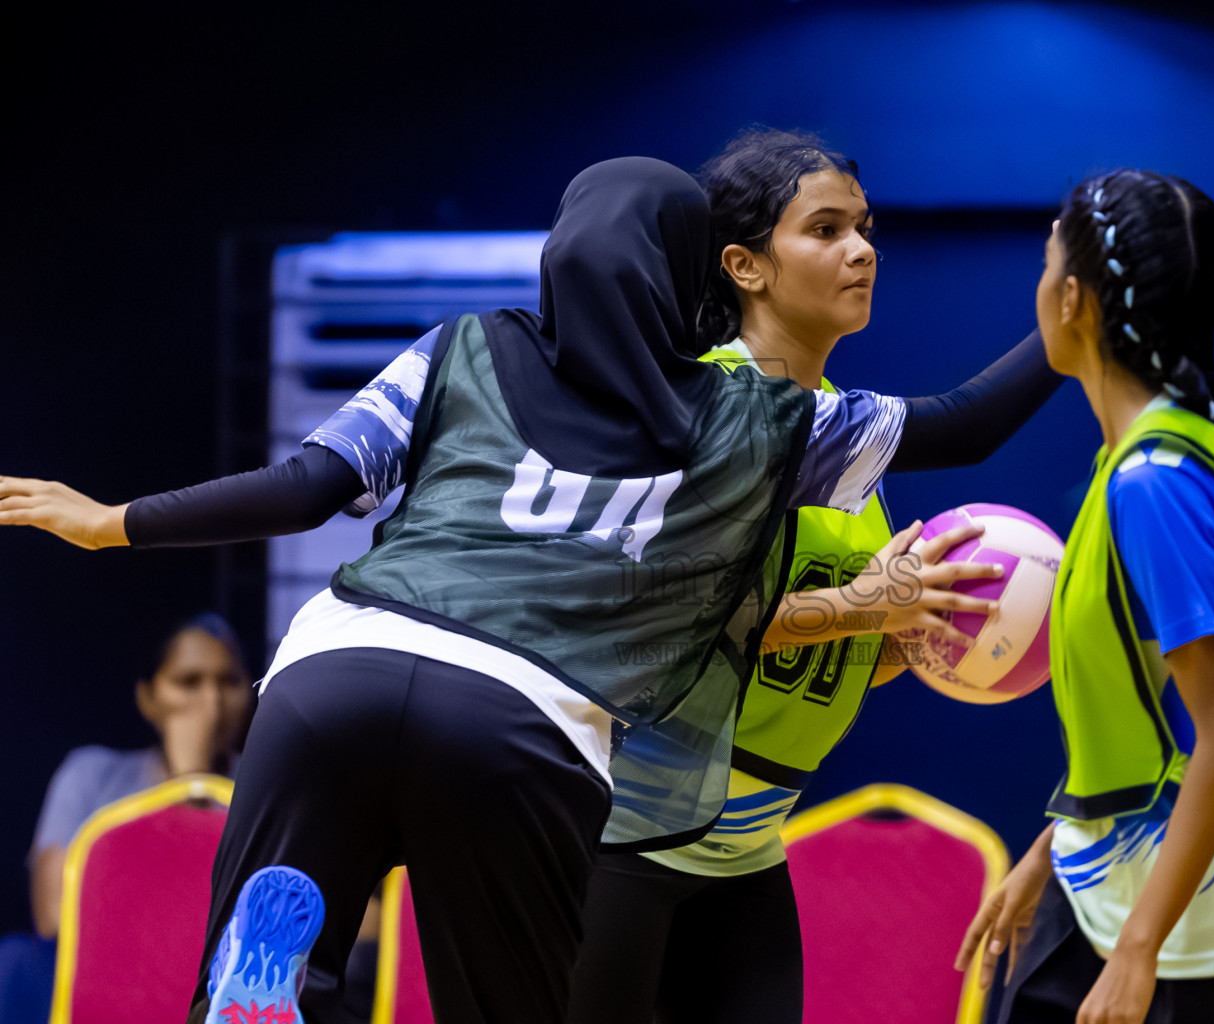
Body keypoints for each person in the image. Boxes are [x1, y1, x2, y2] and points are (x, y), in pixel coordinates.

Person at [0, 156, 1025, 1024]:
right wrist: (1075, 335)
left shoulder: (467, 346)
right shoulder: (743, 417)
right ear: (702, 274)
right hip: (519, 716)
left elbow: (309, 486)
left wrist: (113, 520)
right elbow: (968, 423)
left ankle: (272, 981)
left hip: (333, 667)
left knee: (281, 953)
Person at [568, 128, 1062, 1024]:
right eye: (827, 230)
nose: (862, 250)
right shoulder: (707, 400)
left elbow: (831, 654)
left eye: (865, 229)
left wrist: (917, 633)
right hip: (628, 835)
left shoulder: (839, 430)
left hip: (747, 850)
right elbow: (675, 617)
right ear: (745, 266)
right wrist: (863, 604)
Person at [955, 169, 1214, 1024]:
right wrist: (1055, 847)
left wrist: (1138, 951)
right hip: (1115, 885)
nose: (1040, 287)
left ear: (1072, 300)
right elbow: (1152, 724)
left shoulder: (1155, 482)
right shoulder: (1153, 456)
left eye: (1046, 266)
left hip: (1197, 934)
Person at [0, 614, 248, 1021]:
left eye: (229, 681)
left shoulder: (267, 788)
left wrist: (195, 780)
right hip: (109, 981)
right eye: (188, 682)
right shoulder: (90, 775)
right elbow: (54, 915)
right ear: (148, 697)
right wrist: (184, 783)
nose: (212, 701)